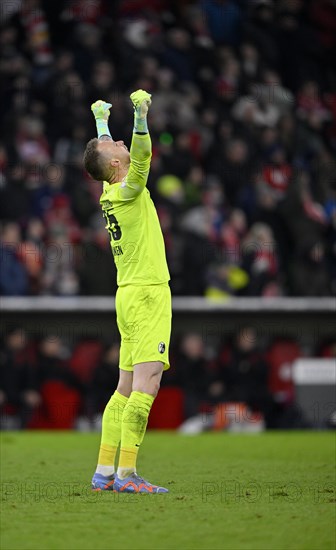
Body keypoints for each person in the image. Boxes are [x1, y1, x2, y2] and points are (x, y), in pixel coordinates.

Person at [83, 90, 171, 493]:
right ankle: (128, 475)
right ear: (118, 164)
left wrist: (101, 120)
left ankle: (103, 471)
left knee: (123, 388)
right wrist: (140, 114)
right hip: (149, 294)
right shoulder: (129, 188)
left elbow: (107, 156)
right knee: (146, 385)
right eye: (114, 141)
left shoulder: (108, 192)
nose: (119, 140)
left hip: (127, 295)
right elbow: (140, 155)